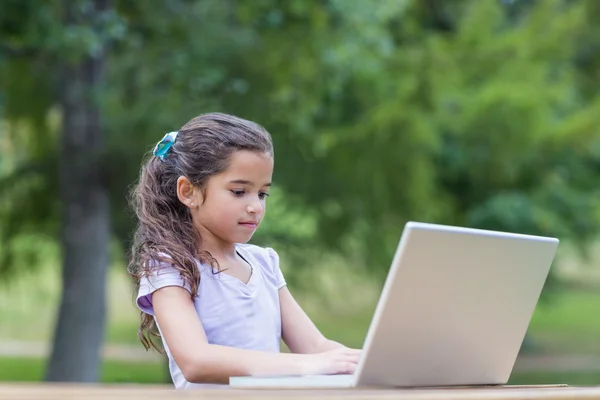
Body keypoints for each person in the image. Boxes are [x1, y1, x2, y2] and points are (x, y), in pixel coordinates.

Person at [127, 112, 361, 389]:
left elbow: (316, 346)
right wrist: (305, 365)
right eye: (239, 192)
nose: (256, 207)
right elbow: (196, 361)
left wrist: (367, 362)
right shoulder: (169, 265)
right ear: (189, 191)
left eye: (262, 194)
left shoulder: (264, 262)